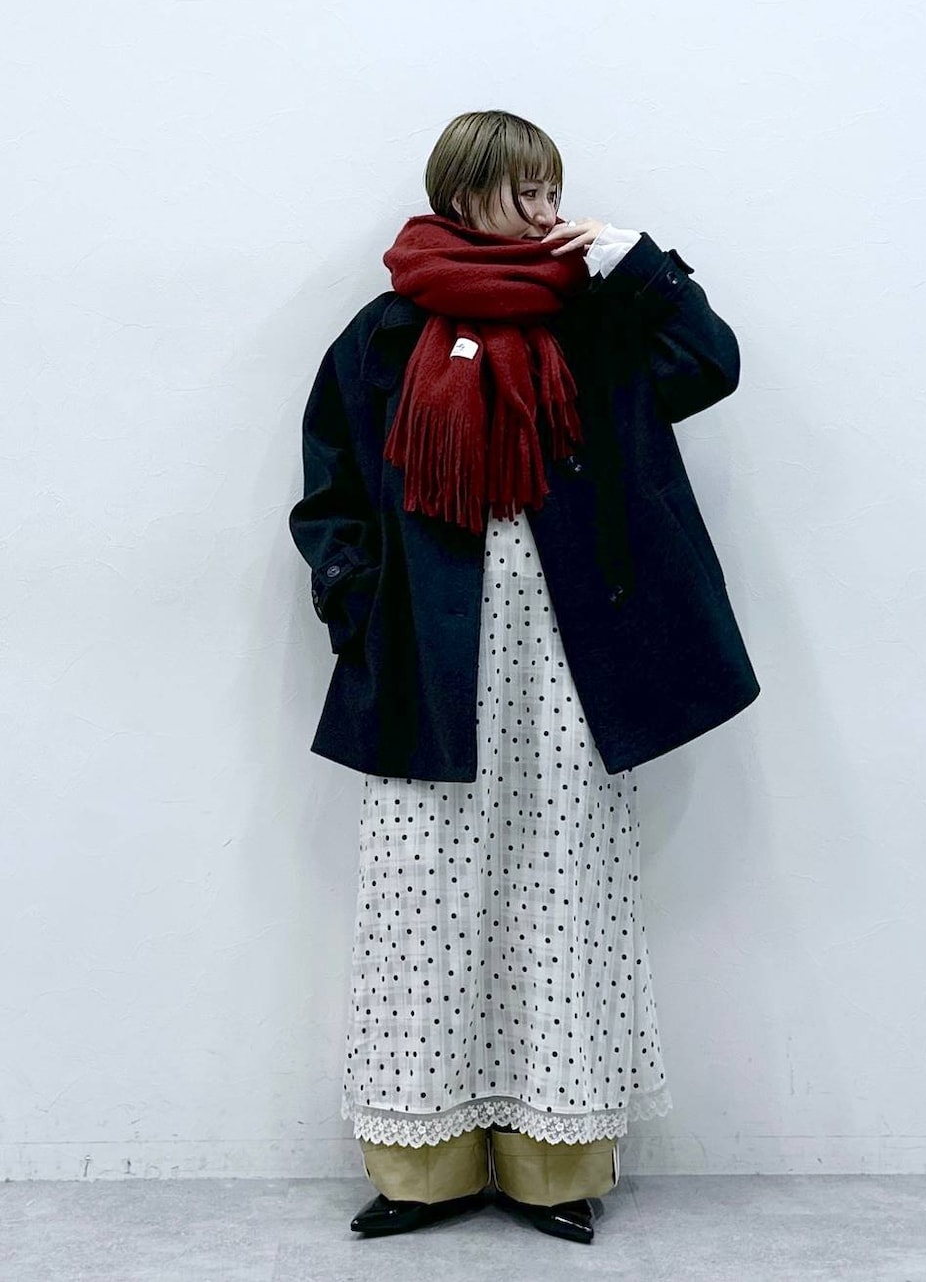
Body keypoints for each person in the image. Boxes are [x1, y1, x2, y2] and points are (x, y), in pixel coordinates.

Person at [288, 110, 760, 1244]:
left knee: (565, 887)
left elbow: (711, 365)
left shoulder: (592, 315)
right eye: (526, 193)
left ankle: (556, 1166)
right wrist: (357, 605)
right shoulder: (385, 334)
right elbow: (331, 485)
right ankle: (424, 1168)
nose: (549, 212)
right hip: (428, 657)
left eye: (554, 191)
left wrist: (640, 265)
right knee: (421, 901)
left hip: (574, 659)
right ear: (465, 194)